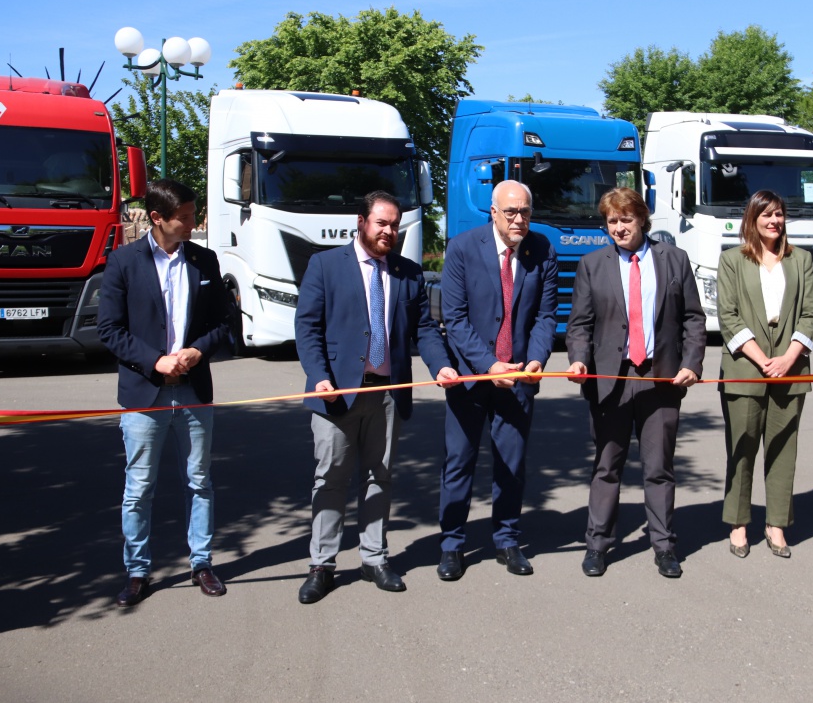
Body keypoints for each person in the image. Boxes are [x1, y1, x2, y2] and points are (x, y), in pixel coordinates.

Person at [293, 191, 460, 604]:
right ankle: (323, 564)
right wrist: (319, 377)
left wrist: (439, 366)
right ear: (361, 222)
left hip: (386, 394)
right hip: (337, 396)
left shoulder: (408, 273)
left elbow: (423, 329)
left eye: (394, 225)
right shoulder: (325, 265)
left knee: (378, 478)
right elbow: (308, 328)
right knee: (330, 479)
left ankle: (374, 557)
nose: (389, 231)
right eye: (381, 223)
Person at [97, 179, 234, 607]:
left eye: (194, 215)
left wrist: (196, 350)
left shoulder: (204, 260)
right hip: (145, 395)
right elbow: (109, 329)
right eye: (186, 217)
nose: (194, 223)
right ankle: (137, 571)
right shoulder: (122, 262)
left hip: (194, 391)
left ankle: (202, 563)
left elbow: (224, 324)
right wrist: (155, 360)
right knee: (139, 488)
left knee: (200, 482)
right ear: (158, 219)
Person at [565, 187, 704, 578]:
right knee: (607, 466)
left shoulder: (674, 260)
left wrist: (692, 362)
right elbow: (580, 325)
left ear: (642, 219)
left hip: (661, 379)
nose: (619, 228)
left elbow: (693, 318)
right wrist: (578, 359)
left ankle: (664, 546)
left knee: (659, 467)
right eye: (612, 221)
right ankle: (597, 544)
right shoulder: (592, 264)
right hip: (611, 378)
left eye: (626, 219)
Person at [436, 179, 558, 580]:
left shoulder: (543, 249)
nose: (519, 219)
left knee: (512, 464)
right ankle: (452, 544)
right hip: (473, 377)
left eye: (525, 211)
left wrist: (535, 359)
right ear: (493, 212)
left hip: (519, 377)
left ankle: (507, 540)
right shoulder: (462, 247)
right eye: (511, 212)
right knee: (460, 462)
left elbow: (544, 316)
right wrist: (489, 365)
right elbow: (453, 319)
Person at [717, 189, 813, 559]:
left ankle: (776, 524)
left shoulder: (801, 260)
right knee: (741, 449)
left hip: (790, 370)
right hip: (746, 369)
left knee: (783, 451)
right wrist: (763, 360)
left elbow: (811, 314)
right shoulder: (732, 260)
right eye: (766, 215)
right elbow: (727, 315)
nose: (774, 221)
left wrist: (789, 358)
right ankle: (739, 523)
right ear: (752, 219)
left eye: (779, 214)